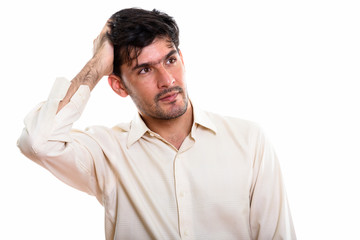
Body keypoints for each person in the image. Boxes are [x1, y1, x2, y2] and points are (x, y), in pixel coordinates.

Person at [17, 8, 296, 240]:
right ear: (118, 86)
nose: (168, 80)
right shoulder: (107, 152)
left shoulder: (249, 141)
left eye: (170, 60)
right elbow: (38, 142)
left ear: (182, 59)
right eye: (145, 69)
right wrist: (96, 65)